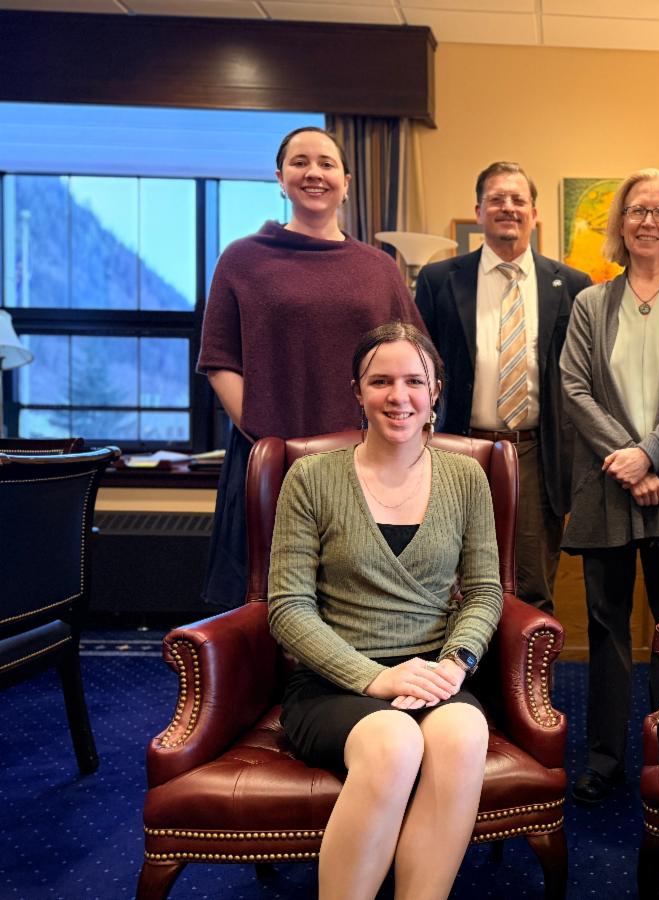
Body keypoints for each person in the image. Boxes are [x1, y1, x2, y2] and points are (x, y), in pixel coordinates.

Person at [268, 322, 502, 900]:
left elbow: (484, 591)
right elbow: (288, 609)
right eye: (381, 382)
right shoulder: (311, 477)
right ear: (357, 391)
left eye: (414, 381)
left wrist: (456, 662)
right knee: (395, 741)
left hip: (432, 675)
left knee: (464, 732)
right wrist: (374, 678)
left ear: (435, 390)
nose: (399, 396)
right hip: (333, 683)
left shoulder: (467, 477)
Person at [198, 125, 424, 609]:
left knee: (359, 605)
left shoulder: (379, 268)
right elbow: (220, 360)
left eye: (326, 163)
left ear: (347, 181)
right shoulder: (242, 259)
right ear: (280, 179)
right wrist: (268, 438)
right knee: (267, 604)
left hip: (364, 465)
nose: (313, 173)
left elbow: (414, 363)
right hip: (272, 460)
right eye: (299, 162)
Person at [560, 168, 659, 806]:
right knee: (605, 626)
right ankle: (604, 759)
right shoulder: (590, 304)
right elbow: (574, 388)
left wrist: (649, 454)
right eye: (637, 210)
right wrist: (627, 459)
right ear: (620, 223)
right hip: (607, 484)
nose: (648, 221)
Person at [415, 161, 591, 614]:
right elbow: (419, 365)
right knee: (452, 583)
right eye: (496, 199)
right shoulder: (439, 280)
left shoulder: (572, 285)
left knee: (531, 587)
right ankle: (460, 662)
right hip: (458, 450)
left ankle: (528, 663)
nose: (507, 207)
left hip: (534, 453)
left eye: (518, 200)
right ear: (478, 211)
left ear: (534, 212)